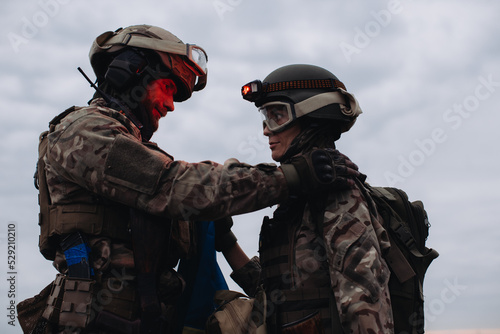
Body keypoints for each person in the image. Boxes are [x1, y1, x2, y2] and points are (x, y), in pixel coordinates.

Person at [16, 26, 358, 334]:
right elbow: (176, 187)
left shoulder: (136, 152)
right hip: (92, 321)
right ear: (129, 75)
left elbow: (199, 216)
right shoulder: (83, 132)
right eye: (167, 87)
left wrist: (236, 253)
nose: (171, 105)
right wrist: (296, 176)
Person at [218, 64, 395, 333]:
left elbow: (365, 307)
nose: (266, 130)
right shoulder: (296, 198)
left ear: (312, 117)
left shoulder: (339, 193)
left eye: (277, 116)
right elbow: (279, 295)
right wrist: (226, 243)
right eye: (265, 118)